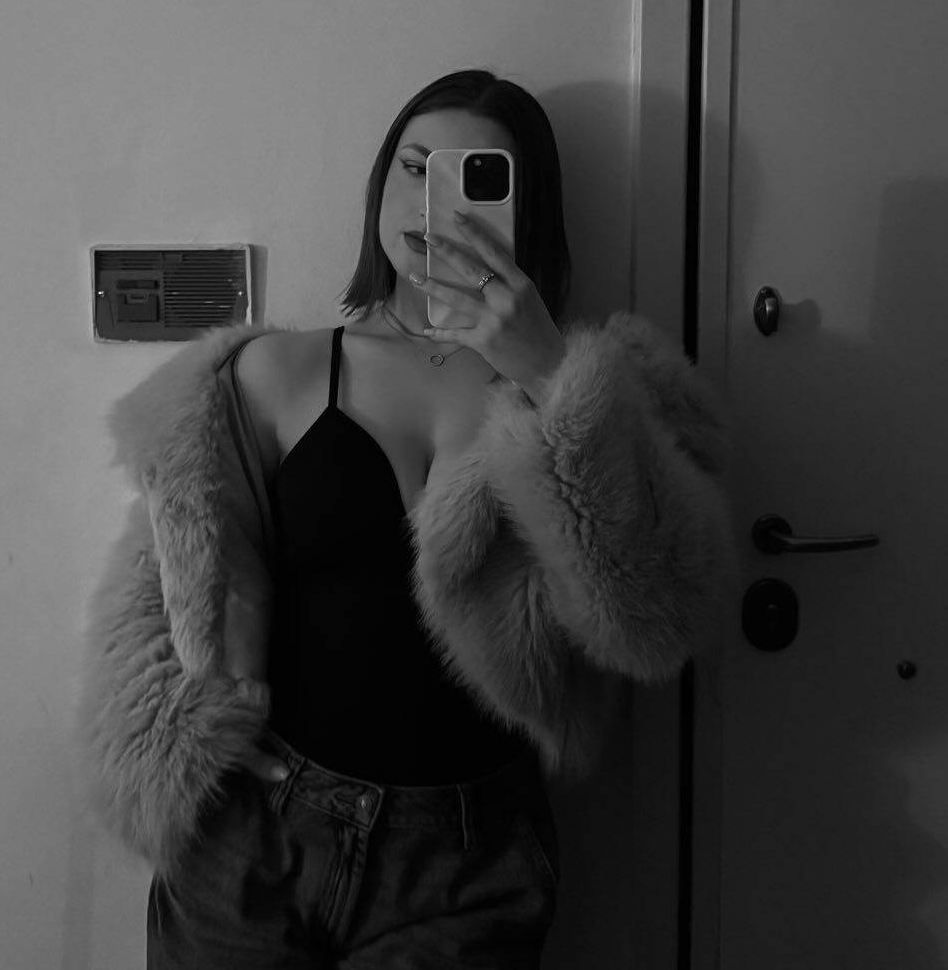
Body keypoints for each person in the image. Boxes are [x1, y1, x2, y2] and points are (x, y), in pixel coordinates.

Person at [75, 68, 735, 968]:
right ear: (379, 184)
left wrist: (551, 374)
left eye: (472, 178)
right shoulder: (281, 373)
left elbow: (655, 620)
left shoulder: (597, 389)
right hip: (260, 836)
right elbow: (180, 585)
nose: (432, 205)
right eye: (414, 168)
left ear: (525, 207)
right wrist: (203, 731)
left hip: (466, 860)